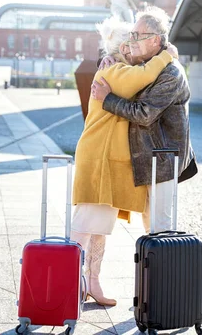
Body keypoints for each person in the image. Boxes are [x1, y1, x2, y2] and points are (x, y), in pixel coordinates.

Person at [70, 16, 178, 306]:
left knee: (99, 228)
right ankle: (71, 285)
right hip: (99, 159)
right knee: (84, 226)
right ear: (121, 48)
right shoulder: (115, 72)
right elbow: (142, 77)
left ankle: (91, 283)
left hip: (107, 160)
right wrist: (167, 54)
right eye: (130, 42)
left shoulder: (114, 68)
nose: (135, 47)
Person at [92, 6, 195, 234]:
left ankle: (165, 270)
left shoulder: (171, 73)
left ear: (156, 41)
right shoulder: (143, 65)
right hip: (148, 162)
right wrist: (109, 57)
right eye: (132, 34)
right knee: (150, 228)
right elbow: (125, 69)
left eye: (139, 36)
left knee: (160, 230)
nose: (133, 40)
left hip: (164, 161)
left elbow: (144, 113)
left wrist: (107, 99)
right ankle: (153, 270)